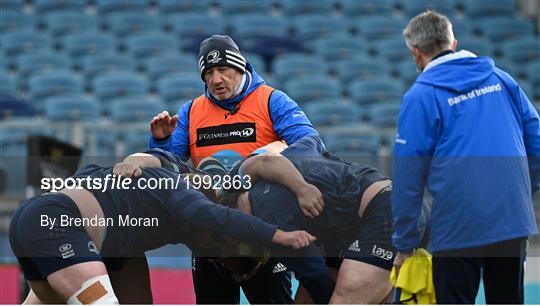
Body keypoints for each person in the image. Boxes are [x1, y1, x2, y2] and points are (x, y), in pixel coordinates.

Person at [119, 137, 430, 303]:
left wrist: (303, 185)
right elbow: (278, 155)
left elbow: (317, 283)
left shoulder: (267, 211)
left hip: (386, 211)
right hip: (362, 225)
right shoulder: (246, 184)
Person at [8, 150, 315, 304]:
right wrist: (277, 235)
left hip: (88, 238)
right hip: (57, 223)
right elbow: (212, 215)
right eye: (221, 251)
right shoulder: (181, 189)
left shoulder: (177, 198)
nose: (213, 255)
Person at [148, 34, 323, 304]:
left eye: (223, 70)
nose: (216, 79)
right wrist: (161, 141)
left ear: (239, 67)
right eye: (209, 73)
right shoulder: (191, 110)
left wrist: (268, 156)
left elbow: (310, 142)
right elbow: (172, 164)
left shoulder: (271, 100)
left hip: (263, 224)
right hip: (211, 230)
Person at [391, 10, 539, 304]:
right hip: (510, 216)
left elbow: (408, 177)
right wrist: (520, 192)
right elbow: (536, 143)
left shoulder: (420, 97)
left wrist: (405, 244)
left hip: (458, 224)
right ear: (453, 42)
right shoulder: (501, 78)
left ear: (415, 53)